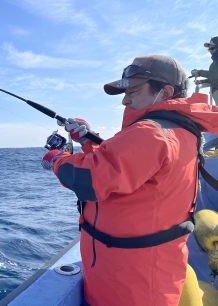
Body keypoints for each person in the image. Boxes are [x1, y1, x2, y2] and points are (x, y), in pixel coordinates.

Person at [42, 55, 218, 306]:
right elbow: (127, 169)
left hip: (131, 285)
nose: (125, 99)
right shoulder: (174, 129)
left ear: (165, 91)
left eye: (133, 90)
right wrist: (89, 141)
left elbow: (89, 178)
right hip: (143, 273)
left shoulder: (151, 133)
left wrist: (57, 158)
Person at [191, 36, 218, 104]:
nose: (209, 50)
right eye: (209, 48)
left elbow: (214, 75)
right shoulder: (213, 65)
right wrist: (202, 81)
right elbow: (214, 79)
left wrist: (199, 72)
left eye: (212, 47)